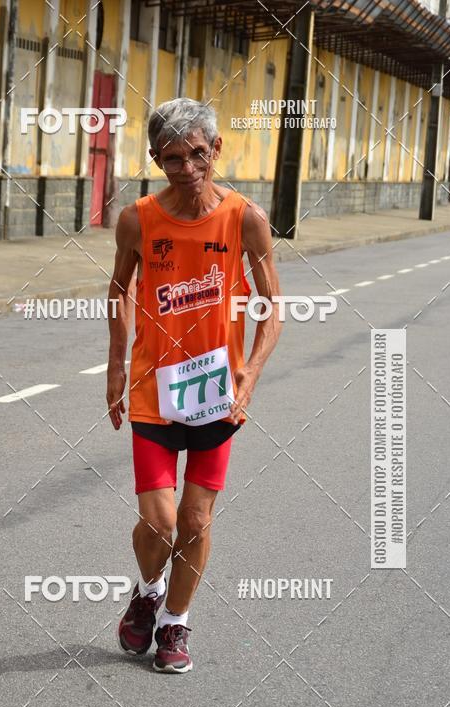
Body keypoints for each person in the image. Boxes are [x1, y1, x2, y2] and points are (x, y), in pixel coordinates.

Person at [106, 97, 281, 674]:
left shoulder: (245, 219)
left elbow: (272, 308)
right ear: (156, 158)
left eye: (197, 154)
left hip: (214, 393)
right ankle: (148, 589)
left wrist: (250, 374)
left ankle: (175, 622)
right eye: (173, 158)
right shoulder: (137, 219)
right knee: (158, 522)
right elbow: (118, 292)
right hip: (154, 391)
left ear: (217, 150)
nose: (187, 168)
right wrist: (115, 367)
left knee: (196, 520)